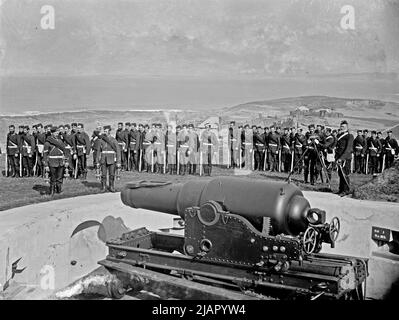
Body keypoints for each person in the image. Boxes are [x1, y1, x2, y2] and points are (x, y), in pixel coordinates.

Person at [43, 126, 68, 195]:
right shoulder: (47, 143)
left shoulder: (60, 141)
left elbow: (65, 151)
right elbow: (45, 154)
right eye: (55, 132)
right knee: (53, 177)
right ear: (52, 133)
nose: (57, 133)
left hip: (60, 162)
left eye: (57, 132)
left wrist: (66, 161)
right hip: (52, 162)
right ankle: (52, 191)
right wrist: (46, 165)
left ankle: (59, 190)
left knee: (60, 177)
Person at [96, 125, 121, 192]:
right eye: (104, 131)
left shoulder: (113, 140)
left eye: (106, 131)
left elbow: (118, 151)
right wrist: (97, 161)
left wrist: (118, 161)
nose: (105, 132)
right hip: (103, 159)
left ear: (109, 132)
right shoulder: (101, 140)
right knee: (103, 175)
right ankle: (103, 187)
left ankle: (111, 187)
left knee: (112, 174)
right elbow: (98, 151)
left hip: (111, 159)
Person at [335, 120, 354, 196]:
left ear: (347, 127)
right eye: (341, 126)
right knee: (340, 174)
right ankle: (341, 189)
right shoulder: (339, 136)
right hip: (339, 157)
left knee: (345, 174)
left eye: (343, 126)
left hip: (345, 158)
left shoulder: (350, 136)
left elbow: (348, 149)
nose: (341, 128)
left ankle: (346, 190)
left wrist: (342, 158)